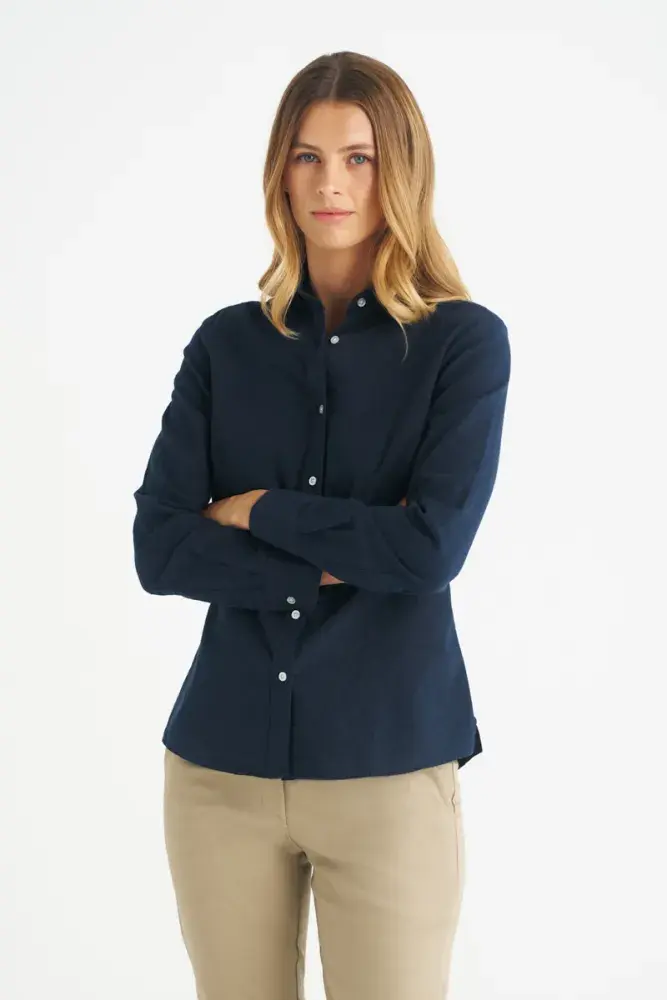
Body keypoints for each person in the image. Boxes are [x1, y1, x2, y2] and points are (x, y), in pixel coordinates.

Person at [132, 50, 511, 1000]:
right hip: (218, 769)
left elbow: (427, 550)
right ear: (280, 171)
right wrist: (339, 556)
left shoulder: (463, 345)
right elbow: (160, 548)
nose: (329, 183)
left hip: (387, 768)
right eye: (306, 156)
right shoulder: (225, 344)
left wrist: (258, 510)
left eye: (358, 158)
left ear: (400, 171)